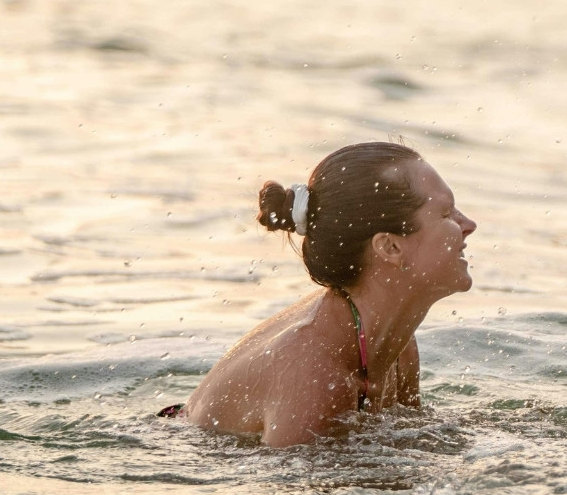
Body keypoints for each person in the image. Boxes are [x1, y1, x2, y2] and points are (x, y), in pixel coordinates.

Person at [163, 141, 478, 447]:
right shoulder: (314, 372)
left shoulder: (397, 343)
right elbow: (292, 493)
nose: (468, 225)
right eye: (447, 214)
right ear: (390, 247)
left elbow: (411, 442)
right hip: (179, 456)